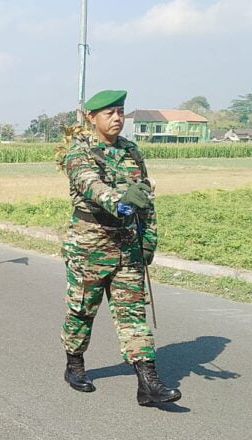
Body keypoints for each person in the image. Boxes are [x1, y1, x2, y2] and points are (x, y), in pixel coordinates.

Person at [59, 89, 180, 406]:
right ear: (91, 118)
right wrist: (120, 202)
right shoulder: (79, 153)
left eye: (121, 112)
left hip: (128, 250)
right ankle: (74, 363)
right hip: (89, 250)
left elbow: (146, 201)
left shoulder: (132, 152)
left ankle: (148, 383)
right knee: (82, 312)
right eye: (109, 113)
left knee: (133, 316)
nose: (117, 118)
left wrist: (149, 242)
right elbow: (91, 186)